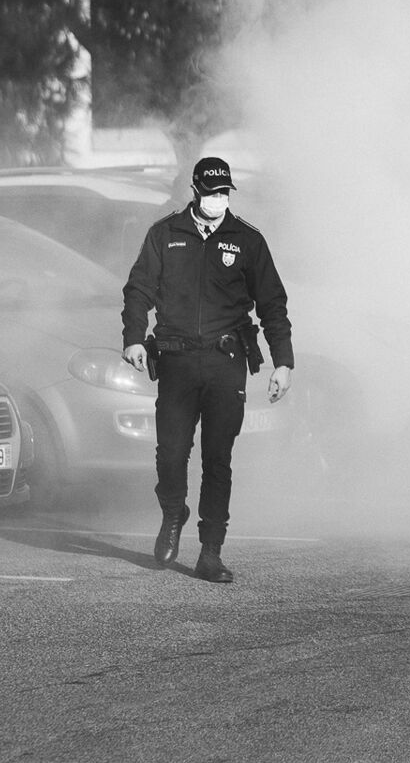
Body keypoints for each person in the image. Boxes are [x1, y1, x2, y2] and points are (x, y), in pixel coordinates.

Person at [121, 157, 293, 583]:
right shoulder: (166, 233)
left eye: (224, 193)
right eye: (212, 192)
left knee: (218, 460)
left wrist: (283, 361)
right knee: (171, 453)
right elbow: (138, 289)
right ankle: (173, 512)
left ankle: (210, 552)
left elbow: (273, 304)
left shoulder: (247, 240)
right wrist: (133, 337)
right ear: (196, 192)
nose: (219, 200)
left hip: (226, 361)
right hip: (177, 360)